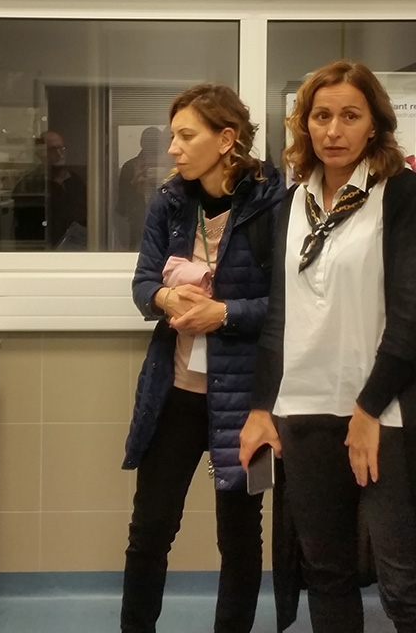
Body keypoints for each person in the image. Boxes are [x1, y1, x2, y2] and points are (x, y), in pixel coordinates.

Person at [239, 60, 416, 633]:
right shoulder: (293, 204)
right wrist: (261, 408)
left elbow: (415, 320)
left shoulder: (403, 195)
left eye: (350, 116)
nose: (333, 130)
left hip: (387, 415)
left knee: (406, 583)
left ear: (374, 125)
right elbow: (280, 317)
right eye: (321, 116)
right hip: (305, 411)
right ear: (305, 125)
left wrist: (366, 410)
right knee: (326, 573)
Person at [124, 83, 285, 633]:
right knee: (149, 531)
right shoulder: (170, 202)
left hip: (246, 400)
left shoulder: (273, 204)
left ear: (226, 139)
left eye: (185, 136)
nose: (172, 148)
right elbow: (142, 283)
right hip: (174, 393)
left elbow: (291, 305)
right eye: (173, 136)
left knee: (239, 538)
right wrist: (164, 298)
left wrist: (225, 314)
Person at [11, 130, 88, 249]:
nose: (59, 154)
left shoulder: (76, 181)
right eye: (53, 149)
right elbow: (25, 234)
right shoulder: (28, 186)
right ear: (40, 154)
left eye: (62, 148)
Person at [116, 125, 171, 249]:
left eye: (155, 143)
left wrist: (165, 177)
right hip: (136, 222)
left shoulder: (169, 165)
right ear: (142, 144)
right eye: (149, 142)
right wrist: (135, 185)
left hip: (165, 221)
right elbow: (123, 205)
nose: (152, 147)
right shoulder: (130, 166)